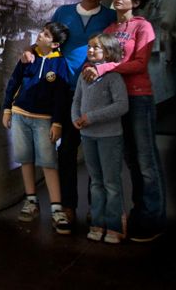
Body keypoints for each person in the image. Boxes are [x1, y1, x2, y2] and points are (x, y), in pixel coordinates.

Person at [23, 0, 116, 226]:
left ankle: (96, 208)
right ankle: (68, 206)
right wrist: (31, 52)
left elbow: (115, 51)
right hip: (65, 90)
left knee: (95, 151)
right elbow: (49, 41)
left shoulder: (110, 17)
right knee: (66, 150)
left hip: (96, 91)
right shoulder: (64, 12)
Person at [81, 0, 166, 242]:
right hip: (112, 100)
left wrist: (105, 68)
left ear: (136, 2)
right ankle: (121, 215)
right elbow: (97, 57)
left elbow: (139, 63)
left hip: (138, 98)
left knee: (145, 161)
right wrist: (90, 68)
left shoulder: (143, 26)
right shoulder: (109, 29)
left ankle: (151, 218)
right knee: (128, 158)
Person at [3, 21, 72, 234]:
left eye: (46, 35)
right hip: (21, 115)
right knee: (25, 159)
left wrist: (57, 122)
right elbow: (14, 82)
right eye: (42, 32)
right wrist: (7, 109)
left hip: (44, 119)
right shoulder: (28, 57)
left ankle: (57, 208)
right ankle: (31, 200)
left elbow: (61, 96)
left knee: (48, 162)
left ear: (55, 44)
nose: (41, 35)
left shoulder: (60, 64)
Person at [72, 33, 128, 244]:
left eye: (96, 47)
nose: (91, 50)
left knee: (111, 182)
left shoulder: (113, 77)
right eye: (89, 46)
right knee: (95, 181)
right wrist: (75, 119)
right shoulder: (83, 75)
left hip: (109, 136)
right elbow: (76, 100)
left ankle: (114, 226)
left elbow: (121, 105)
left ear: (109, 51)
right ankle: (97, 222)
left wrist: (92, 117)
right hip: (88, 136)